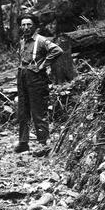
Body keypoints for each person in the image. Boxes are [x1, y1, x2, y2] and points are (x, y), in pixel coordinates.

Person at [15, 13, 63, 156]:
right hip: (22, 77)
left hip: (36, 78)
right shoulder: (22, 41)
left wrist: (43, 65)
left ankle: (44, 144)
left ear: (34, 25)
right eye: (23, 25)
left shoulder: (41, 40)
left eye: (29, 24)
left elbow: (57, 50)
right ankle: (23, 143)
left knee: (38, 111)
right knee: (22, 111)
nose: (26, 27)